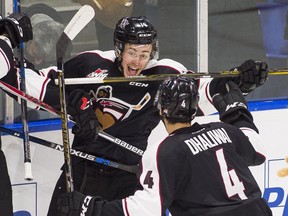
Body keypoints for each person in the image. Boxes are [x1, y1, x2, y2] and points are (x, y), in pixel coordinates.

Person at [0, 13, 269, 215]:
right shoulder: (90, 64)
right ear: (119, 49)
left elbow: (208, 91)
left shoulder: (165, 71)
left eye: (144, 53)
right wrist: (74, 105)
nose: (138, 61)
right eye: (132, 53)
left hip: (129, 176)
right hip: (81, 172)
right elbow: (36, 88)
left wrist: (239, 81)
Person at [57, 76, 272, 216]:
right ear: (195, 109)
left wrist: (90, 208)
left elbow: (146, 210)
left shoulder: (163, 152)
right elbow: (258, 151)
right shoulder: (224, 129)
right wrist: (236, 111)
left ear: (161, 110)